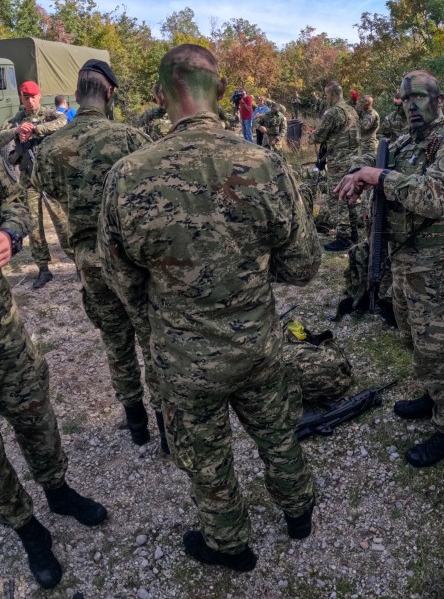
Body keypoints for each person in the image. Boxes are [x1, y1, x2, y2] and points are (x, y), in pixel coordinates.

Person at [98, 44, 318, 571]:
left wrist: (159, 318)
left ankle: (231, 545)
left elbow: (122, 279)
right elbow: (304, 265)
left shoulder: (128, 175)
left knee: (207, 457)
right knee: (277, 433)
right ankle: (298, 514)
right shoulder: (265, 164)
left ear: (158, 95)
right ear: (221, 92)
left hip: (182, 355)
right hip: (257, 344)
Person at [335, 69, 444, 467]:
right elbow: (370, 160)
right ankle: (432, 396)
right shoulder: (406, 144)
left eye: (419, 97)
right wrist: (357, 174)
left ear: (439, 99)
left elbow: (435, 198)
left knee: (436, 350)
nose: (411, 105)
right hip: (404, 264)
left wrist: (378, 176)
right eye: (405, 99)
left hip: (437, 270)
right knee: (411, 338)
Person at [32, 59, 165, 451]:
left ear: (77, 95)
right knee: (150, 339)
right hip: (132, 256)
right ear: (109, 93)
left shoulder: (52, 145)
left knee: (116, 341)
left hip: (89, 258)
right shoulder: (130, 140)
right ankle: (167, 430)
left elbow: (48, 190)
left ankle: (137, 424)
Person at [0, 157, 107, 589]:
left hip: (4, 336)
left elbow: (14, 201)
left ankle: (58, 491)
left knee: (35, 414)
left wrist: (9, 232)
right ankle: (27, 528)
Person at [0, 80, 71, 289]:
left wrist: (35, 129)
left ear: (39, 97)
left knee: (61, 222)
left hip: (49, 178)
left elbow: (63, 122)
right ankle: (43, 269)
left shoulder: (48, 114)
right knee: (34, 225)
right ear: (21, 98)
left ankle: (77, 262)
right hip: (29, 180)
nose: (30, 101)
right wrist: (16, 131)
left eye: (33, 97)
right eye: (26, 97)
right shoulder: (17, 120)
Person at [313, 80, 361, 251]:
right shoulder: (351, 110)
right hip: (355, 159)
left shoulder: (333, 112)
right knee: (351, 196)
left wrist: (312, 135)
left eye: (326, 95)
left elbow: (318, 136)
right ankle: (353, 233)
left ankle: (343, 237)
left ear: (332, 94)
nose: (326, 98)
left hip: (339, 161)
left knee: (337, 197)